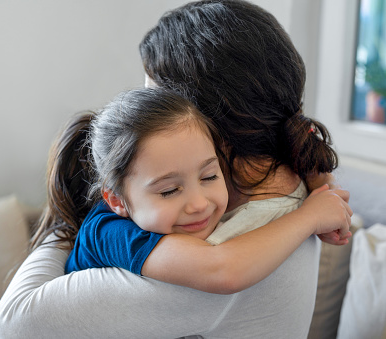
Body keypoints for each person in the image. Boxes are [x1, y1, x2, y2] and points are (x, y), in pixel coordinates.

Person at [0, 1, 353, 337]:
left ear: (206, 122)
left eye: (158, 99)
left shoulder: (221, 245)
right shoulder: (293, 183)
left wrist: (67, 228)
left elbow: (15, 321)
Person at [59, 87, 349, 295]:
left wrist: (321, 182)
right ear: (117, 200)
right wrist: (310, 216)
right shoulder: (108, 233)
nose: (199, 204)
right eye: (170, 191)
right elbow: (223, 270)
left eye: (210, 175)